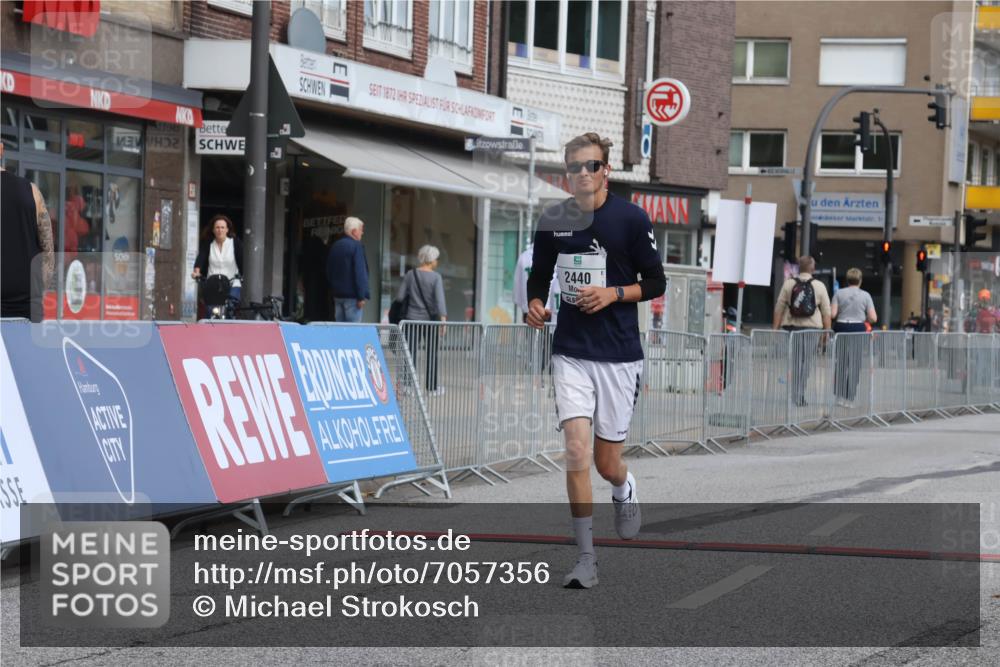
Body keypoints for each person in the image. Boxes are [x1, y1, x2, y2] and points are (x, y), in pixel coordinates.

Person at [525, 132, 666, 589]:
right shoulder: (553, 219)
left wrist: (613, 294)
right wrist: (534, 304)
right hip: (571, 352)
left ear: (606, 170)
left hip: (619, 355)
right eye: (574, 168)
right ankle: (586, 559)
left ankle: (623, 488)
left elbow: (656, 282)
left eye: (591, 166)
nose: (582, 174)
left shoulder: (630, 218)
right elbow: (540, 276)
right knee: (576, 452)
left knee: (607, 464)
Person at [1, 149, 55, 321]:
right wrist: (37, 294)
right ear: (1, 150)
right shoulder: (31, 191)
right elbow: (48, 251)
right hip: (28, 308)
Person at [773, 256, 832, 407]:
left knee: (796, 361)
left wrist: (775, 330)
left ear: (799, 268)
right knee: (807, 363)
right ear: (812, 269)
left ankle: (794, 394)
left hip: (791, 328)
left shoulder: (789, 284)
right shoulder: (819, 286)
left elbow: (779, 308)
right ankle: (800, 394)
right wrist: (826, 333)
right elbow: (826, 312)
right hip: (812, 329)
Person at [398, 245, 448, 395]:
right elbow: (440, 301)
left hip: (411, 320)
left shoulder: (410, 275)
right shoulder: (436, 277)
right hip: (430, 321)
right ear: (432, 260)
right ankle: (432, 388)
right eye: (436, 259)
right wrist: (443, 320)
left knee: (410, 352)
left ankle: (407, 387)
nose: (437, 262)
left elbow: (400, 296)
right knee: (432, 352)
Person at [830, 268, 877, 407]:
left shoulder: (838, 293)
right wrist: (865, 317)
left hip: (842, 328)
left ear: (847, 280)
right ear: (860, 280)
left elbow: (832, 314)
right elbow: (873, 318)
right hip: (858, 329)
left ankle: (838, 396)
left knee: (841, 362)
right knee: (855, 364)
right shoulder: (866, 295)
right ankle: (849, 399)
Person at [326, 216, 370, 323]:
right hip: (353, 298)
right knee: (353, 333)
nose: (362, 233)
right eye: (361, 230)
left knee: (340, 332)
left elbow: (329, 271)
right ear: (354, 231)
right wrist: (361, 296)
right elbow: (360, 272)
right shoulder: (356, 246)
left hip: (337, 296)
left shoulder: (335, 246)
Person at [192, 214, 243, 301]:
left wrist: (242, 275)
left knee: (230, 306)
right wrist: (197, 272)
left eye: (223, 227)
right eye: (217, 227)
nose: (220, 230)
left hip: (232, 284)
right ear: (213, 230)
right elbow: (201, 258)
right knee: (210, 310)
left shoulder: (235, 243)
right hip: (213, 284)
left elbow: (242, 260)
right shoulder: (208, 244)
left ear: (227, 230)